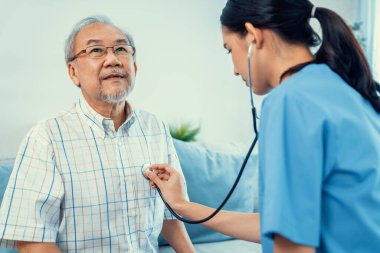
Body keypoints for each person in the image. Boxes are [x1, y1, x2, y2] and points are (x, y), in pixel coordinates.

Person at [144, 0, 380, 253]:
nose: (235, 70)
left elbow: (291, 246)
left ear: (253, 36)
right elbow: (278, 225)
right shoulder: (340, 89)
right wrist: (183, 206)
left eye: (229, 49)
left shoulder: (290, 100)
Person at [0, 16, 195, 253]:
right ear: (73, 72)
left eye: (121, 49)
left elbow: (169, 212)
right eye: (96, 50)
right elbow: (32, 240)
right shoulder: (46, 137)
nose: (112, 60)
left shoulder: (155, 127)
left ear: (134, 66)